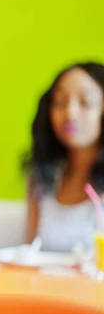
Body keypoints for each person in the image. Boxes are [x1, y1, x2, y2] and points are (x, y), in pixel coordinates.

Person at [25, 62, 104, 252]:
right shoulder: (41, 180)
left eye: (85, 103)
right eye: (60, 102)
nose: (70, 113)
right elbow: (31, 253)